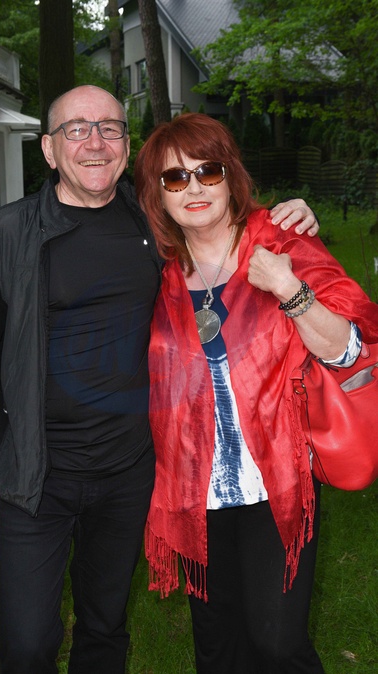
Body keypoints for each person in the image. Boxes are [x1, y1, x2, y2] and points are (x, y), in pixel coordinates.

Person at [0, 86, 319, 674]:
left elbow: (219, 217)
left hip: (129, 472)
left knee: (104, 626)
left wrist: (288, 214)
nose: (95, 142)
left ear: (126, 145)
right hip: (35, 473)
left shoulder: (153, 224)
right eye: (76, 129)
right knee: (27, 641)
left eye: (110, 129)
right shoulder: (8, 233)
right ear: (48, 149)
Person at [134, 112, 378, 674]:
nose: (194, 188)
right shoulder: (158, 272)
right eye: (175, 178)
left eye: (207, 171)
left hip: (275, 478)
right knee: (219, 649)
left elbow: (348, 350)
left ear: (231, 175)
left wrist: (289, 288)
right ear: (159, 195)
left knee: (277, 643)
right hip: (194, 487)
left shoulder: (281, 240)